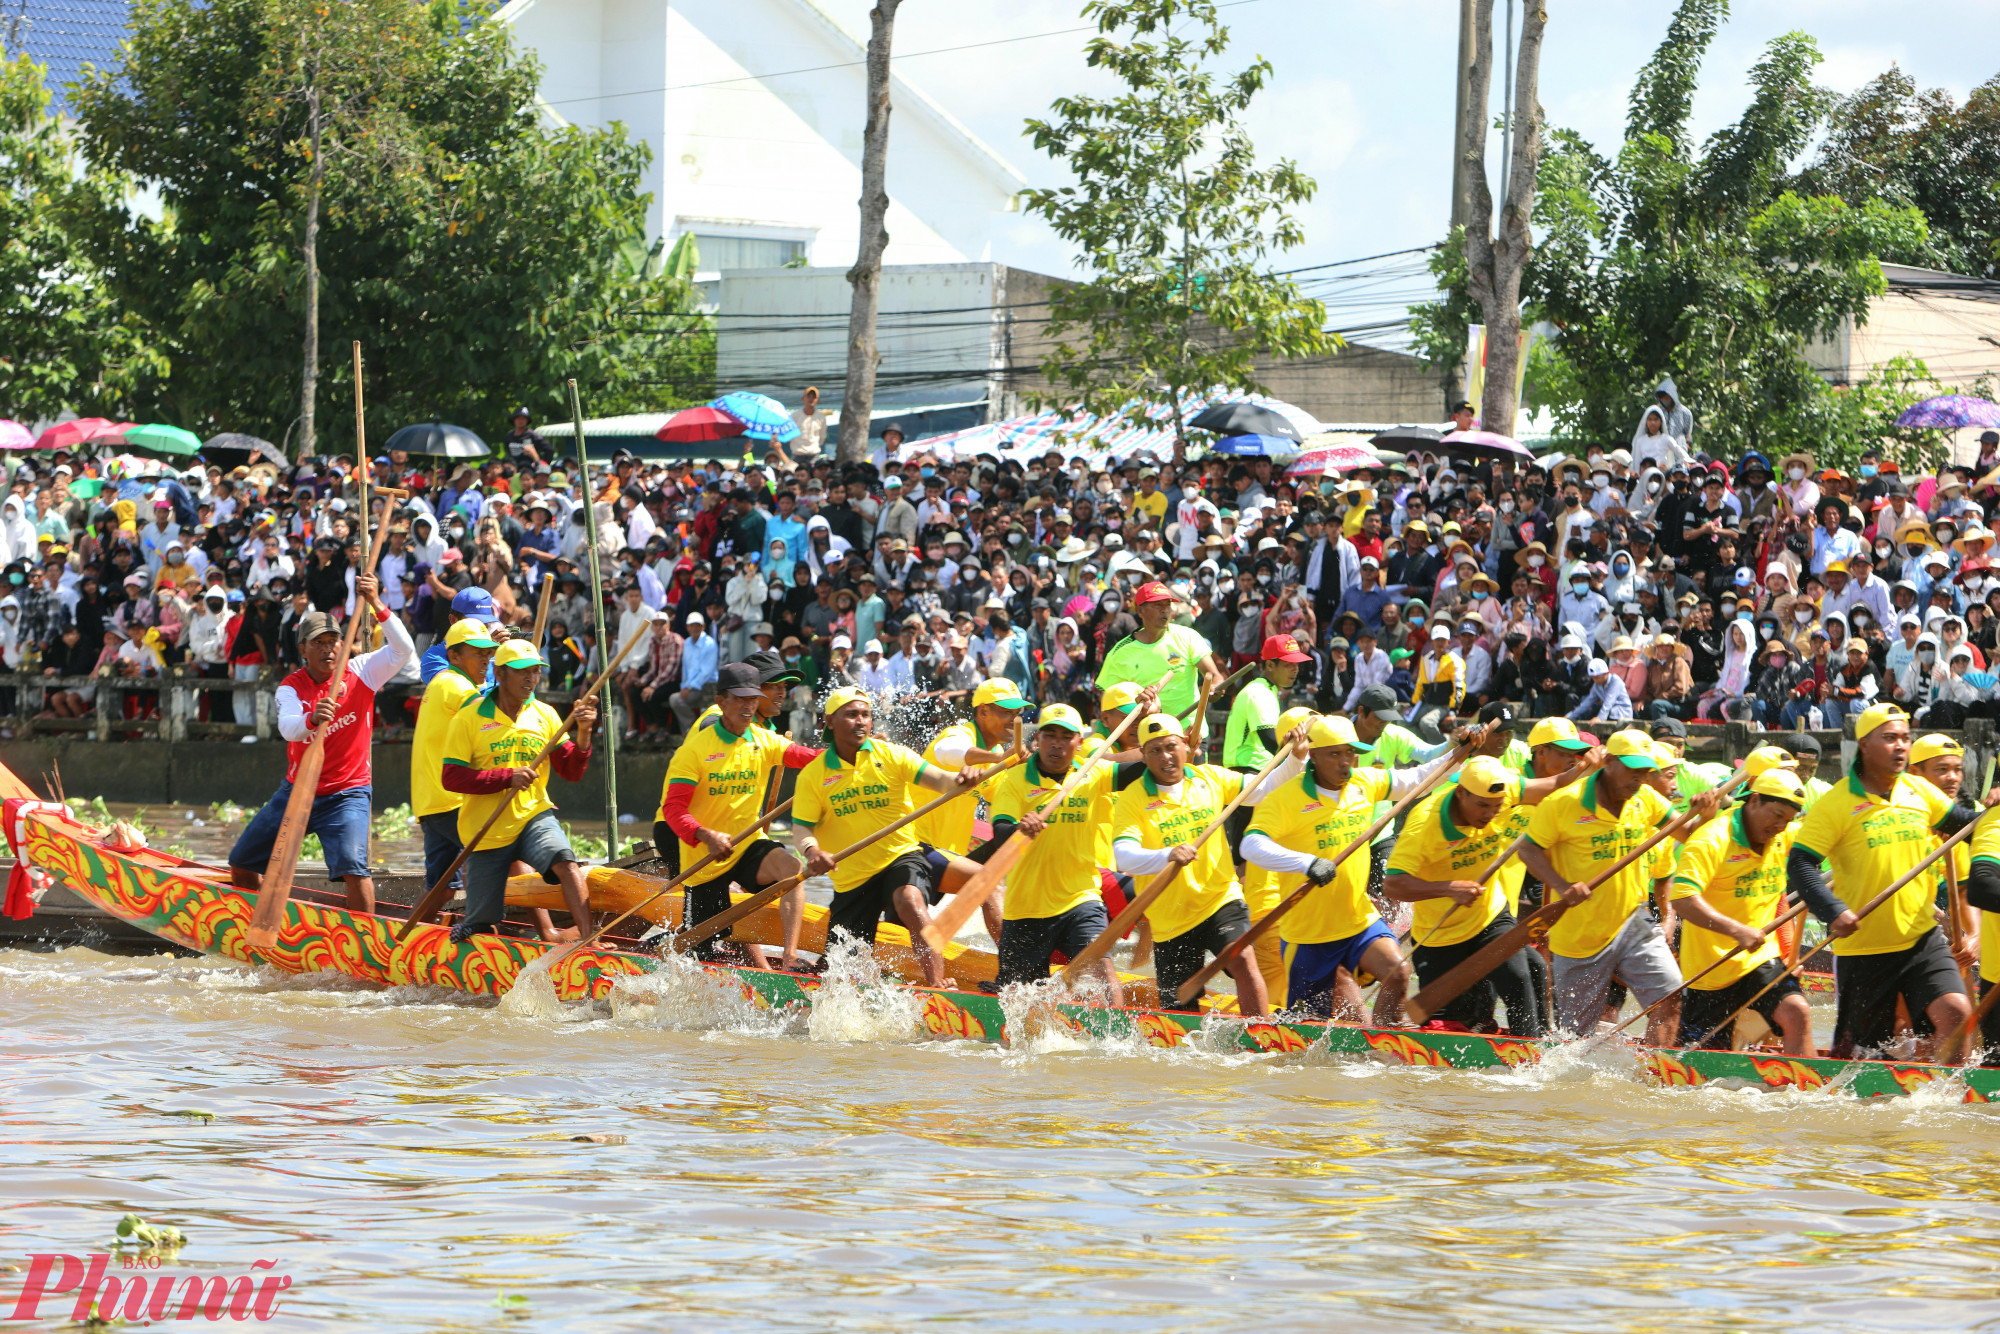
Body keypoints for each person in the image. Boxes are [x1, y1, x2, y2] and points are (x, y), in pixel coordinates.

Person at [1242, 714, 1459, 1024]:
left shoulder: (1364, 782)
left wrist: (1460, 750)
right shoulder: (1285, 798)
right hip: (1308, 932)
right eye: (1335, 754)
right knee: (1309, 1029)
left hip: (1358, 918)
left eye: (1351, 753)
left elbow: (1421, 778)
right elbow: (1250, 845)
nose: (1346, 762)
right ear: (1314, 755)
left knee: (1398, 972)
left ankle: (1382, 1043)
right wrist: (1308, 864)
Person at [1787, 702, 1976, 1059]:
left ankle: (1948, 1092)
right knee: (1862, 1056)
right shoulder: (1836, 802)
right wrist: (1832, 911)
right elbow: (1800, 863)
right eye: (1890, 738)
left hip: (1921, 938)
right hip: (1864, 950)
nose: (1901, 746)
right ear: (1864, 745)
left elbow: (1965, 825)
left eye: (1905, 738)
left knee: (1957, 1013)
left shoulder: (1918, 791)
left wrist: (1991, 814)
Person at [1383, 746, 1603, 1038]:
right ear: (1461, 793)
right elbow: (1393, 884)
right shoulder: (1425, 824)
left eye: (1497, 806)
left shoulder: (1506, 788)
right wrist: (1448, 888)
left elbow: (1555, 784)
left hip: (1490, 914)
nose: (1490, 814)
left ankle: (1534, 1049)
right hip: (1441, 934)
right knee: (1452, 1025)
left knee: (1526, 972)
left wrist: (1586, 768)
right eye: (1482, 806)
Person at [1522, 729, 1724, 1041]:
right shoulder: (1563, 802)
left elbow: (1688, 834)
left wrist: (1707, 816)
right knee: (1574, 1041)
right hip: (1579, 934)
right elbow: (1528, 849)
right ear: (1609, 762)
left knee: (1670, 994)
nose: (1638, 780)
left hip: (1633, 920)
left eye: (1645, 772)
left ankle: (1655, 1068)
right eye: (1632, 770)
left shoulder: (1646, 798)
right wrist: (1562, 886)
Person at [227, 575, 412, 912]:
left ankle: (364, 938)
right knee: (241, 861)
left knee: (354, 869)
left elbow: (404, 649)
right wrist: (311, 720)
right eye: (318, 643)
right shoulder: (290, 686)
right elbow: (288, 729)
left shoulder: (363, 671)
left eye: (333, 642)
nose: (328, 649)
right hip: (299, 789)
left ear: (342, 645)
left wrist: (376, 603)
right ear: (303, 650)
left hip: (348, 792)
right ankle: (259, 917)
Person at [791, 688, 993, 988]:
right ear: (830, 721)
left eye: (866, 715)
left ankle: (938, 984)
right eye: (851, 715)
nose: (861, 721)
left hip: (901, 856)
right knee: (841, 977)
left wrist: (961, 779)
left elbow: (941, 780)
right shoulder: (813, 775)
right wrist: (812, 851)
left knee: (909, 899)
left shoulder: (892, 754)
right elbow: (801, 830)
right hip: (853, 878)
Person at [1114, 713, 1303, 1015]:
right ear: (1144, 756)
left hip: (1220, 898)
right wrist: (1167, 855)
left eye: (1171, 746)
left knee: (1243, 959)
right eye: (1155, 750)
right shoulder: (1132, 798)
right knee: (1179, 1009)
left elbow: (1266, 788)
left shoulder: (1210, 778)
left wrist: (1295, 757)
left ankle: (1261, 1034)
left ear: (1186, 746)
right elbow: (1124, 856)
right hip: (1171, 917)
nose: (1165, 757)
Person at [658, 661, 823, 970]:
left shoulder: (764, 739)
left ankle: (789, 959)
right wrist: (706, 835)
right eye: (740, 699)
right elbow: (673, 809)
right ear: (721, 701)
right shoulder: (694, 751)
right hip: (704, 858)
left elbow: (811, 758)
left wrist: (853, 752)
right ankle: (670, 954)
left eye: (753, 699)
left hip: (745, 843)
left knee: (791, 868)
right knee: (698, 956)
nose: (748, 707)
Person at [438, 640, 599, 942]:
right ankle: (478, 928)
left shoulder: (545, 714)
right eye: (522, 671)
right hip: (486, 830)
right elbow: (452, 778)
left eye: (536, 671)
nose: (531, 678)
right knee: (480, 925)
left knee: (566, 862)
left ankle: (590, 941)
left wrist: (584, 733)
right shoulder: (468, 718)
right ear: (499, 673)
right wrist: (506, 777)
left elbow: (572, 771)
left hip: (532, 815)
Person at [985, 702, 1134, 1001]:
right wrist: (1019, 829)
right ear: (1038, 739)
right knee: (1018, 1000)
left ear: (1078, 743)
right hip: (1026, 907)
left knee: (1103, 972)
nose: (1057, 744)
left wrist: (1154, 720)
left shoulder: (1093, 772)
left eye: (1066, 737)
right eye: (1050, 735)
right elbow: (1000, 832)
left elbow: (1146, 767)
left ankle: (1119, 1029)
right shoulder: (1014, 780)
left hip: (1080, 899)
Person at [911, 677, 1028, 937]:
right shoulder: (959, 734)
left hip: (946, 855)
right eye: (1006, 712)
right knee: (988, 882)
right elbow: (947, 751)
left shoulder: (998, 756)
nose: (1013, 719)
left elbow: (1011, 804)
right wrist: (1000, 758)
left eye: (1017, 713)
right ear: (983, 712)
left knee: (1016, 836)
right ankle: (1013, 961)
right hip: (914, 846)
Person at [410, 618, 499, 905]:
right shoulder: (455, 684)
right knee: (501, 856)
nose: (486, 660)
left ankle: (409, 930)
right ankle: (537, 928)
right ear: (454, 656)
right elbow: (491, 723)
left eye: (488, 653)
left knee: (443, 888)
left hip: (432, 802)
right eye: (478, 653)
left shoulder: (444, 682)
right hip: (452, 801)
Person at [1094, 579, 1223, 737]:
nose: (1165, 610)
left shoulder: (1188, 637)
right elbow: (1109, 703)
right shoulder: (1119, 653)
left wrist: (1215, 687)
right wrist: (1137, 701)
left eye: (1167, 605)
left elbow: (1214, 676)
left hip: (1191, 735)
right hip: (1149, 739)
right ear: (1140, 611)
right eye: (1158, 605)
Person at [1223, 632, 1312, 857]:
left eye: (1297, 664)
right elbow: (1272, 743)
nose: (1295, 670)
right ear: (1270, 665)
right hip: (1249, 773)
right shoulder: (1259, 693)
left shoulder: (1266, 690)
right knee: (1256, 846)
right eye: (1289, 664)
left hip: (1255, 771)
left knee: (1247, 850)